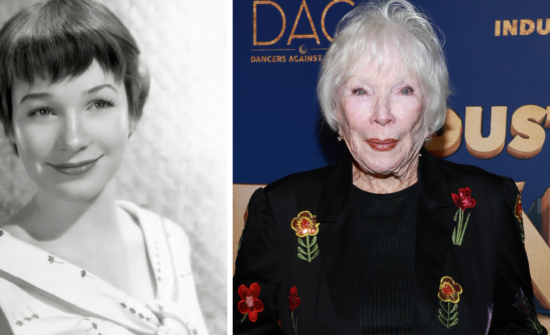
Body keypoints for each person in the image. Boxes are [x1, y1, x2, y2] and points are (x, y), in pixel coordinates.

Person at [233, 0, 547, 334]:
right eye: (361, 91)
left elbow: (518, 327)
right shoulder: (281, 210)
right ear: (336, 111)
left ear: (429, 111)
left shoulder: (487, 204)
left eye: (404, 90)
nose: (382, 114)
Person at [0, 1, 208, 334]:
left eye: (99, 103)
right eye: (43, 111)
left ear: (133, 111)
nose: (73, 139)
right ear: (10, 126)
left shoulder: (169, 241)